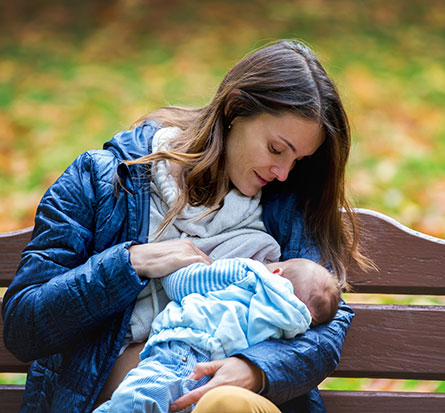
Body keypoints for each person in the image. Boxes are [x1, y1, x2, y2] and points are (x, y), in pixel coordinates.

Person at [2, 40, 373, 412]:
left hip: (230, 405)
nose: (283, 173)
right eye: (277, 149)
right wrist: (129, 264)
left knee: (226, 403)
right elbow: (23, 325)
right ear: (235, 108)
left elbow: (326, 324)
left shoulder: (288, 205)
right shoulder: (102, 181)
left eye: (299, 160)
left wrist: (254, 369)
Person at [95, 257, 341, 412]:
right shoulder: (293, 329)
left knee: (136, 397)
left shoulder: (249, 273)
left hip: (183, 354)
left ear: (276, 272)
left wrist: (167, 268)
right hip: (213, 380)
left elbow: (183, 284)